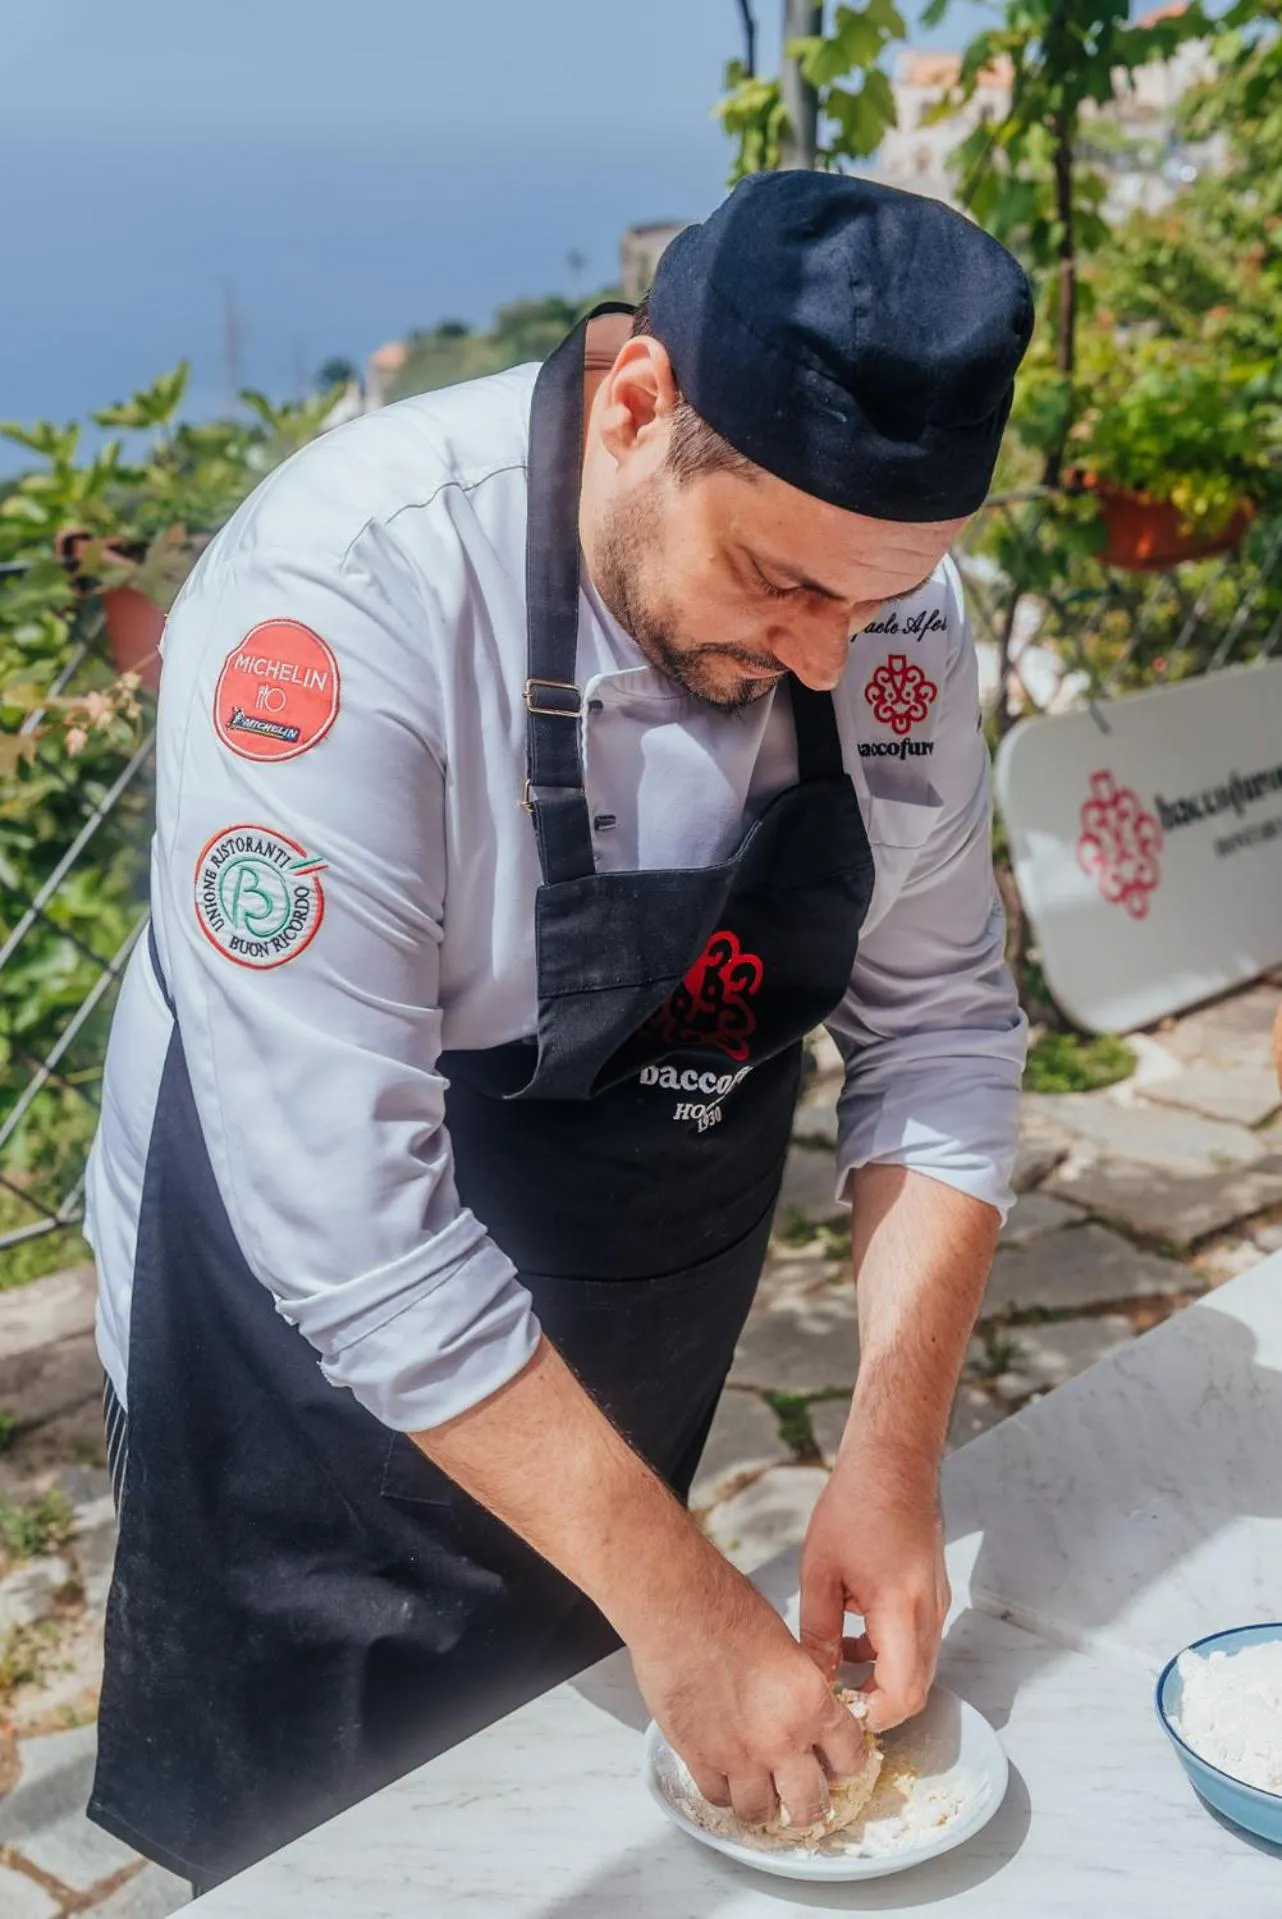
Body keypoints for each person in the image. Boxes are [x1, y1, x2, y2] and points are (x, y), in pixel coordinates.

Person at [85, 170, 1033, 1890]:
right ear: (638, 398)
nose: (828, 660)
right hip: (286, 1318)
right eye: (775, 580)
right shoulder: (338, 601)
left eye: (874, 602)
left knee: (551, 1814)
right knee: (325, 1850)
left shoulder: (878, 612)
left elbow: (944, 1034)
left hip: (613, 1271)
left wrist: (889, 1458)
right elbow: (355, 1233)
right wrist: (684, 1602)